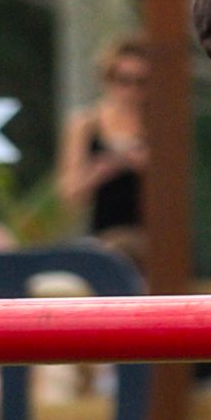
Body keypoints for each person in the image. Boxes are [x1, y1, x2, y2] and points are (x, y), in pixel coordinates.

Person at [57, 37, 151, 270]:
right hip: (103, 240)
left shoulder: (161, 125)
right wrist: (101, 171)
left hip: (154, 240)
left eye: (142, 82)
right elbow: (69, 193)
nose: (132, 91)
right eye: (124, 80)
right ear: (107, 79)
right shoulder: (86, 126)